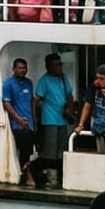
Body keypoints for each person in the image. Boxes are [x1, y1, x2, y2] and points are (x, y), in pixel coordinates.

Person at [31, 52, 74, 189]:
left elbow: (70, 95)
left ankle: (60, 178)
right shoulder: (44, 81)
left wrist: (69, 108)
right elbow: (35, 101)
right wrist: (35, 119)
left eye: (60, 64)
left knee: (62, 150)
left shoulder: (63, 78)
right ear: (49, 67)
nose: (60, 67)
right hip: (50, 119)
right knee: (50, 151)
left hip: (62, 119)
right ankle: (45, 175)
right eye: (56, 65)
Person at [2, 58, 36, 184]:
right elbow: (6, 103)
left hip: (30, 123)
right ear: (14, 69)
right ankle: (27, 175)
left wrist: (35, 121)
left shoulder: (29, 83)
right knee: (24, 148)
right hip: (17, 124)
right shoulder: (8, 84)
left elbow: (31, 102)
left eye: (24, 68)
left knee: (29, 149)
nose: (22, 70)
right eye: (20, 68)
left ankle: (24, 173)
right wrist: (18, 118)